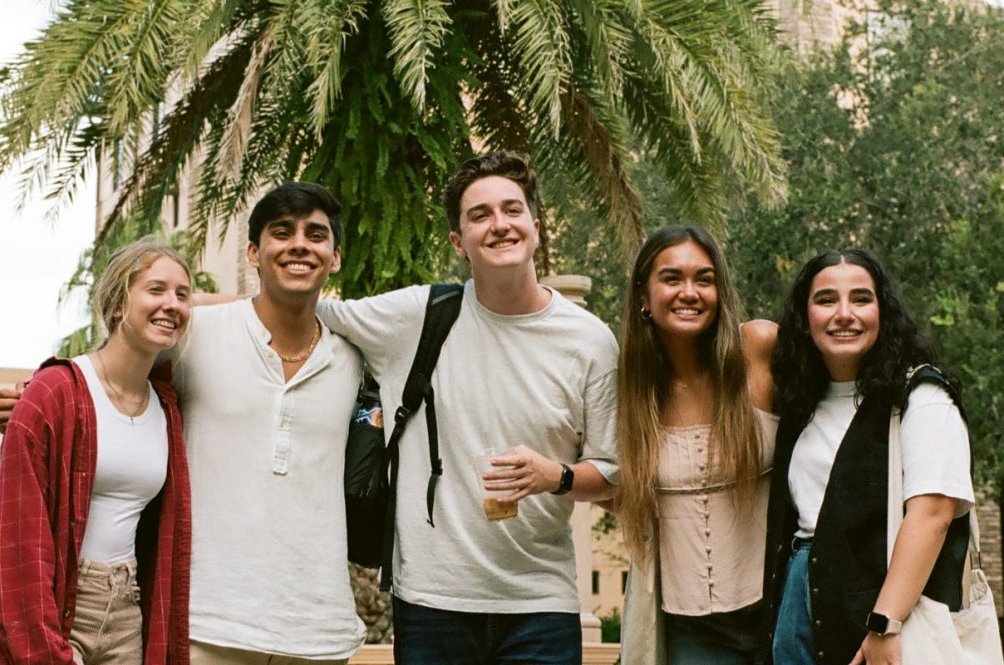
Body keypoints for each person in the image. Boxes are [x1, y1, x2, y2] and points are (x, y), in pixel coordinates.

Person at [0, 183, 366, 665]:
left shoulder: (358, 351)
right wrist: (32, 404)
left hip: (317, 630)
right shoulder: (193, 339)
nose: (298, 244)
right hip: (203, 624)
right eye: (281, 232)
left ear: (335, 257)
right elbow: (109, 374)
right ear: (253, 252)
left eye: (316, 235)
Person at [316, 150, 619, 665]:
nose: (499, 225)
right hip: (433, 602)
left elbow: (614, 476)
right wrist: (176, 310)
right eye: (480, 215)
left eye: (512, 210)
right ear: (459, 242)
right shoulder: (418, 317)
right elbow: (300, 307)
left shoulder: (589, 341)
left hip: (541, 606)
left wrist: (554, 475)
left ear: (536, 227)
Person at [0, 238, 194, 665]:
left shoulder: (168, 407)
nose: (172, 304)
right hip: (60, 606)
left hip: (127, 610)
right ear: (117, 304)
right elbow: (18, 540)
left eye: (183, 295)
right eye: (155, 289)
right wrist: (41, 648)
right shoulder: (54, 392)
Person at [763, 249, 974, 665]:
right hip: (797, 608)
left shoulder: (921, 397)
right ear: (805, 319)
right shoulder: (800, 405)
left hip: (887, 618)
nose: (844, 313)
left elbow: (933, 513)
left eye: (861, 299)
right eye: (826, 300)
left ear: (883, 312)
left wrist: (885, 622)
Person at [614, 226, 778, 665]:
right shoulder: (631, 392)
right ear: (643, 298)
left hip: (779, 612)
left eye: (704, 279)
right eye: (672, 279)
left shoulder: (759, 351)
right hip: (693, 634)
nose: (690, 292)